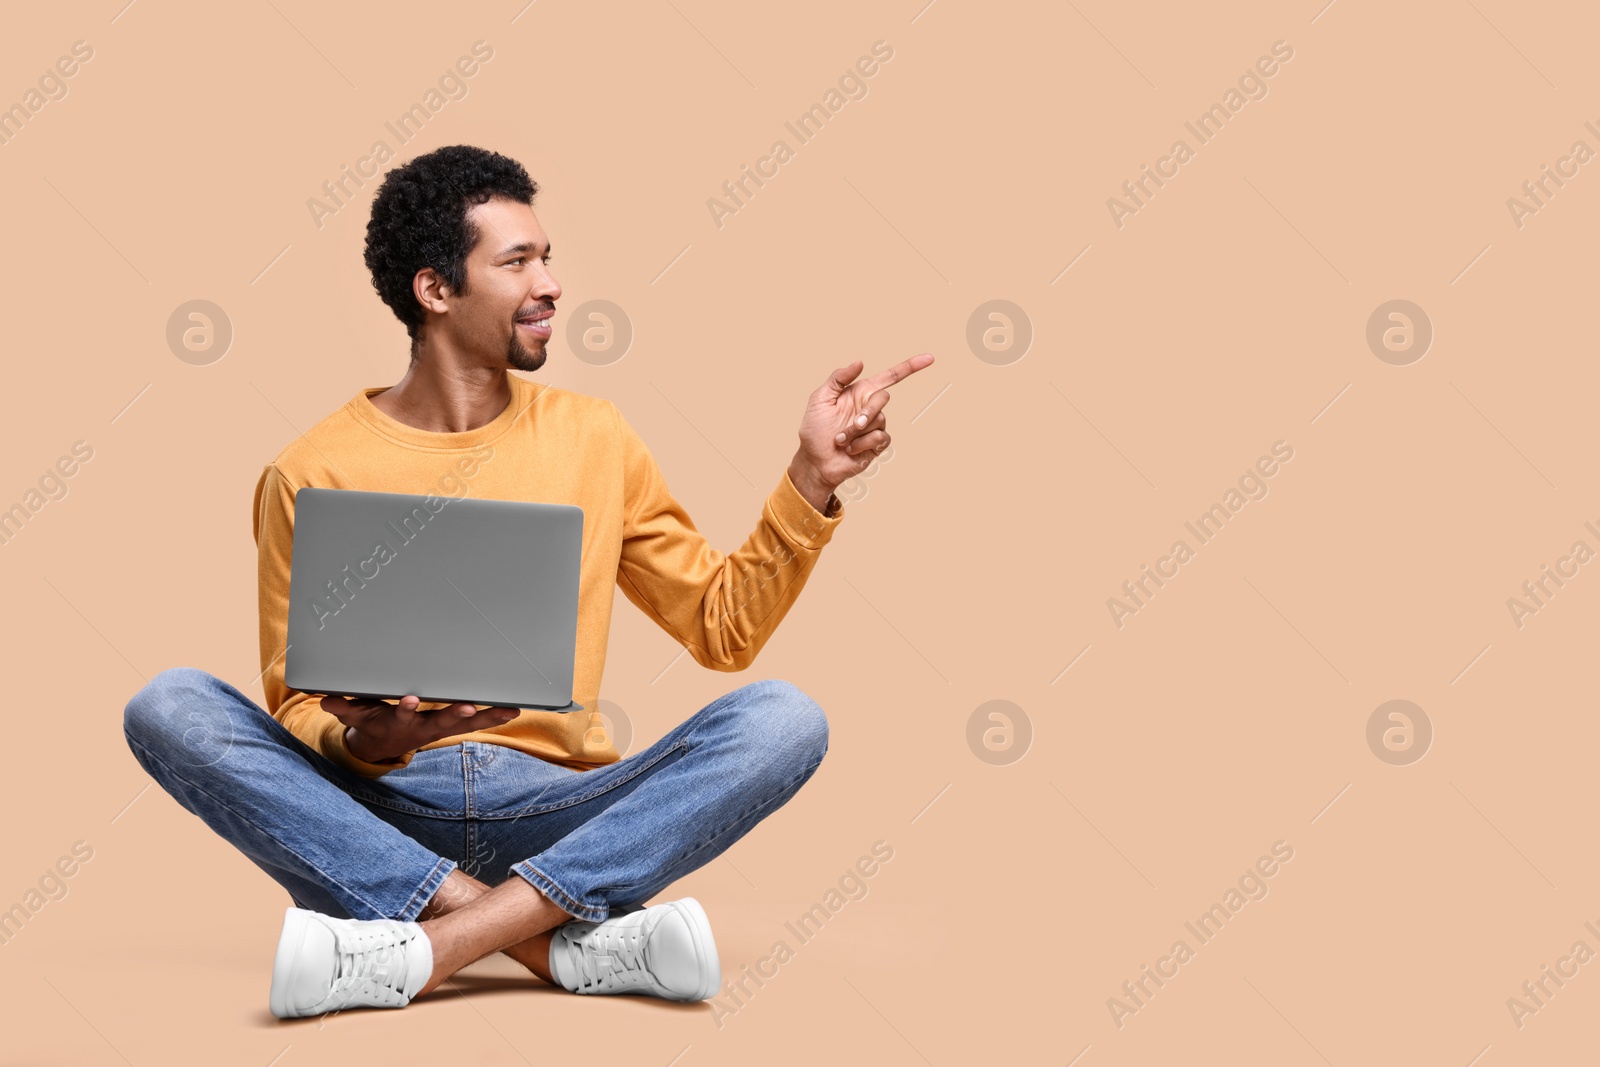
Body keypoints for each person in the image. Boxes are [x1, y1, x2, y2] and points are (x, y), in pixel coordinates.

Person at [120, 144, 934, 1019]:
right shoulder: (309, 469)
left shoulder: (596, 437)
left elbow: (722, 626)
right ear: (436, 290)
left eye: (547, 257)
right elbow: (296, 709)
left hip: (565, 813)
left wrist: (810, 481)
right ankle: (551, 939)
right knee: (170, 704)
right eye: (517, 262)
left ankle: (423, 946)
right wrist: (375, 742)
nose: (550, 284)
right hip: (375, 813)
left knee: (784, 719)